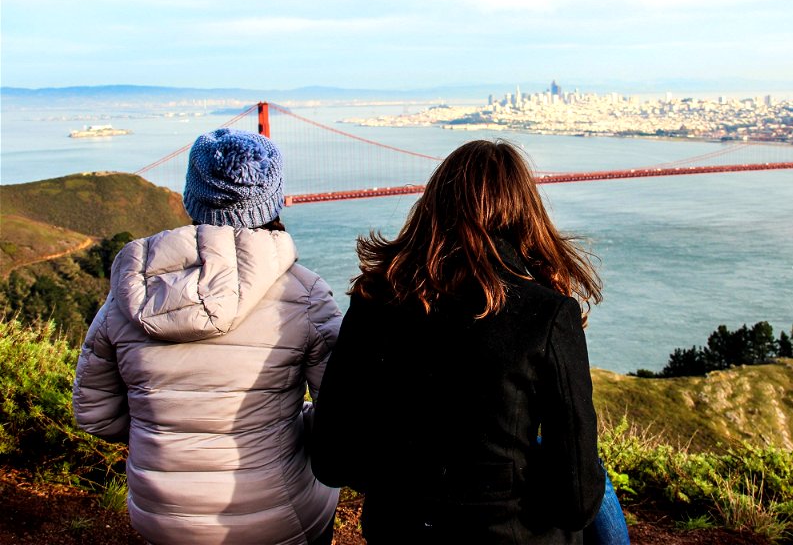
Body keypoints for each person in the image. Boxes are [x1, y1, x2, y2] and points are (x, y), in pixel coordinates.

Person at [311, 139, 628, 544]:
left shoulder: (374, 301)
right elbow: (576, 501)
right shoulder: (549, 315)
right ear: (525, 214)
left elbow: (334, 460)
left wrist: (406, 474)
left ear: (432, 206)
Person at [73, 128, 341, 545]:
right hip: (280, 516)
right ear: (272, 199)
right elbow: (341, 412)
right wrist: (292, 423)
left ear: (190, 197)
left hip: (162, 516)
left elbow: (93, 414)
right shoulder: (305, 294)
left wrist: (163, 434)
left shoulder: (126, 296)